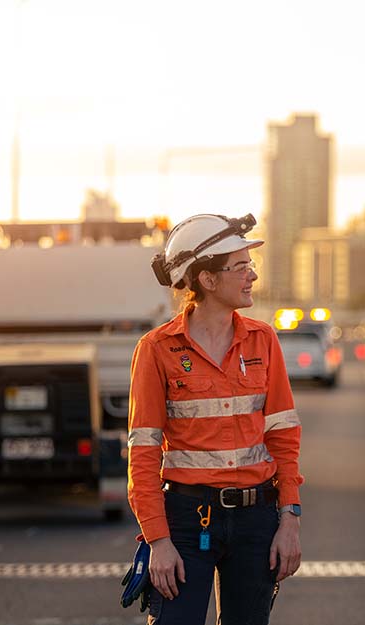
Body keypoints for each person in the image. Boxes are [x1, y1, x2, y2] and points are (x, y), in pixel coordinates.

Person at [127, 213, 303, 625]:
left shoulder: (264, 339)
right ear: (206, 279)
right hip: (187, 522)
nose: (252, 276)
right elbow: (144, 455)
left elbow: (284, 437)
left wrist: (289, 518)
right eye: (240, 267)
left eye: (250, 265)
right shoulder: (156, 349)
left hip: (255, 517)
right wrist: (159, 542)